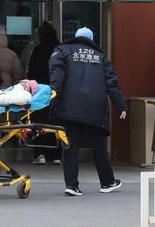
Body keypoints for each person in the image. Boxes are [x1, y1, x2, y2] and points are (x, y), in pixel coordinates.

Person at [49, 27, 127, 196]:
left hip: (69, 107)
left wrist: (52, 97)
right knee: (99, 146)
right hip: (95, 108)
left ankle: (72, 185)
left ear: (75, 38)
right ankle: (107, 183)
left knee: (70, 146)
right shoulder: (101, 57)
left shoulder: (62, 51)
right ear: (92, 40)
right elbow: (112, 84)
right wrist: (121, 105)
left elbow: (57, 76)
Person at [28, 21, 62, 165]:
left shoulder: (38, 50)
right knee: (56, 123)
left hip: (40, 91)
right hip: (57, 91)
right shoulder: (61, 50)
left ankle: (40, 154)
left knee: (39, 123)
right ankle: (56, 155)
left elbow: (32, 72)